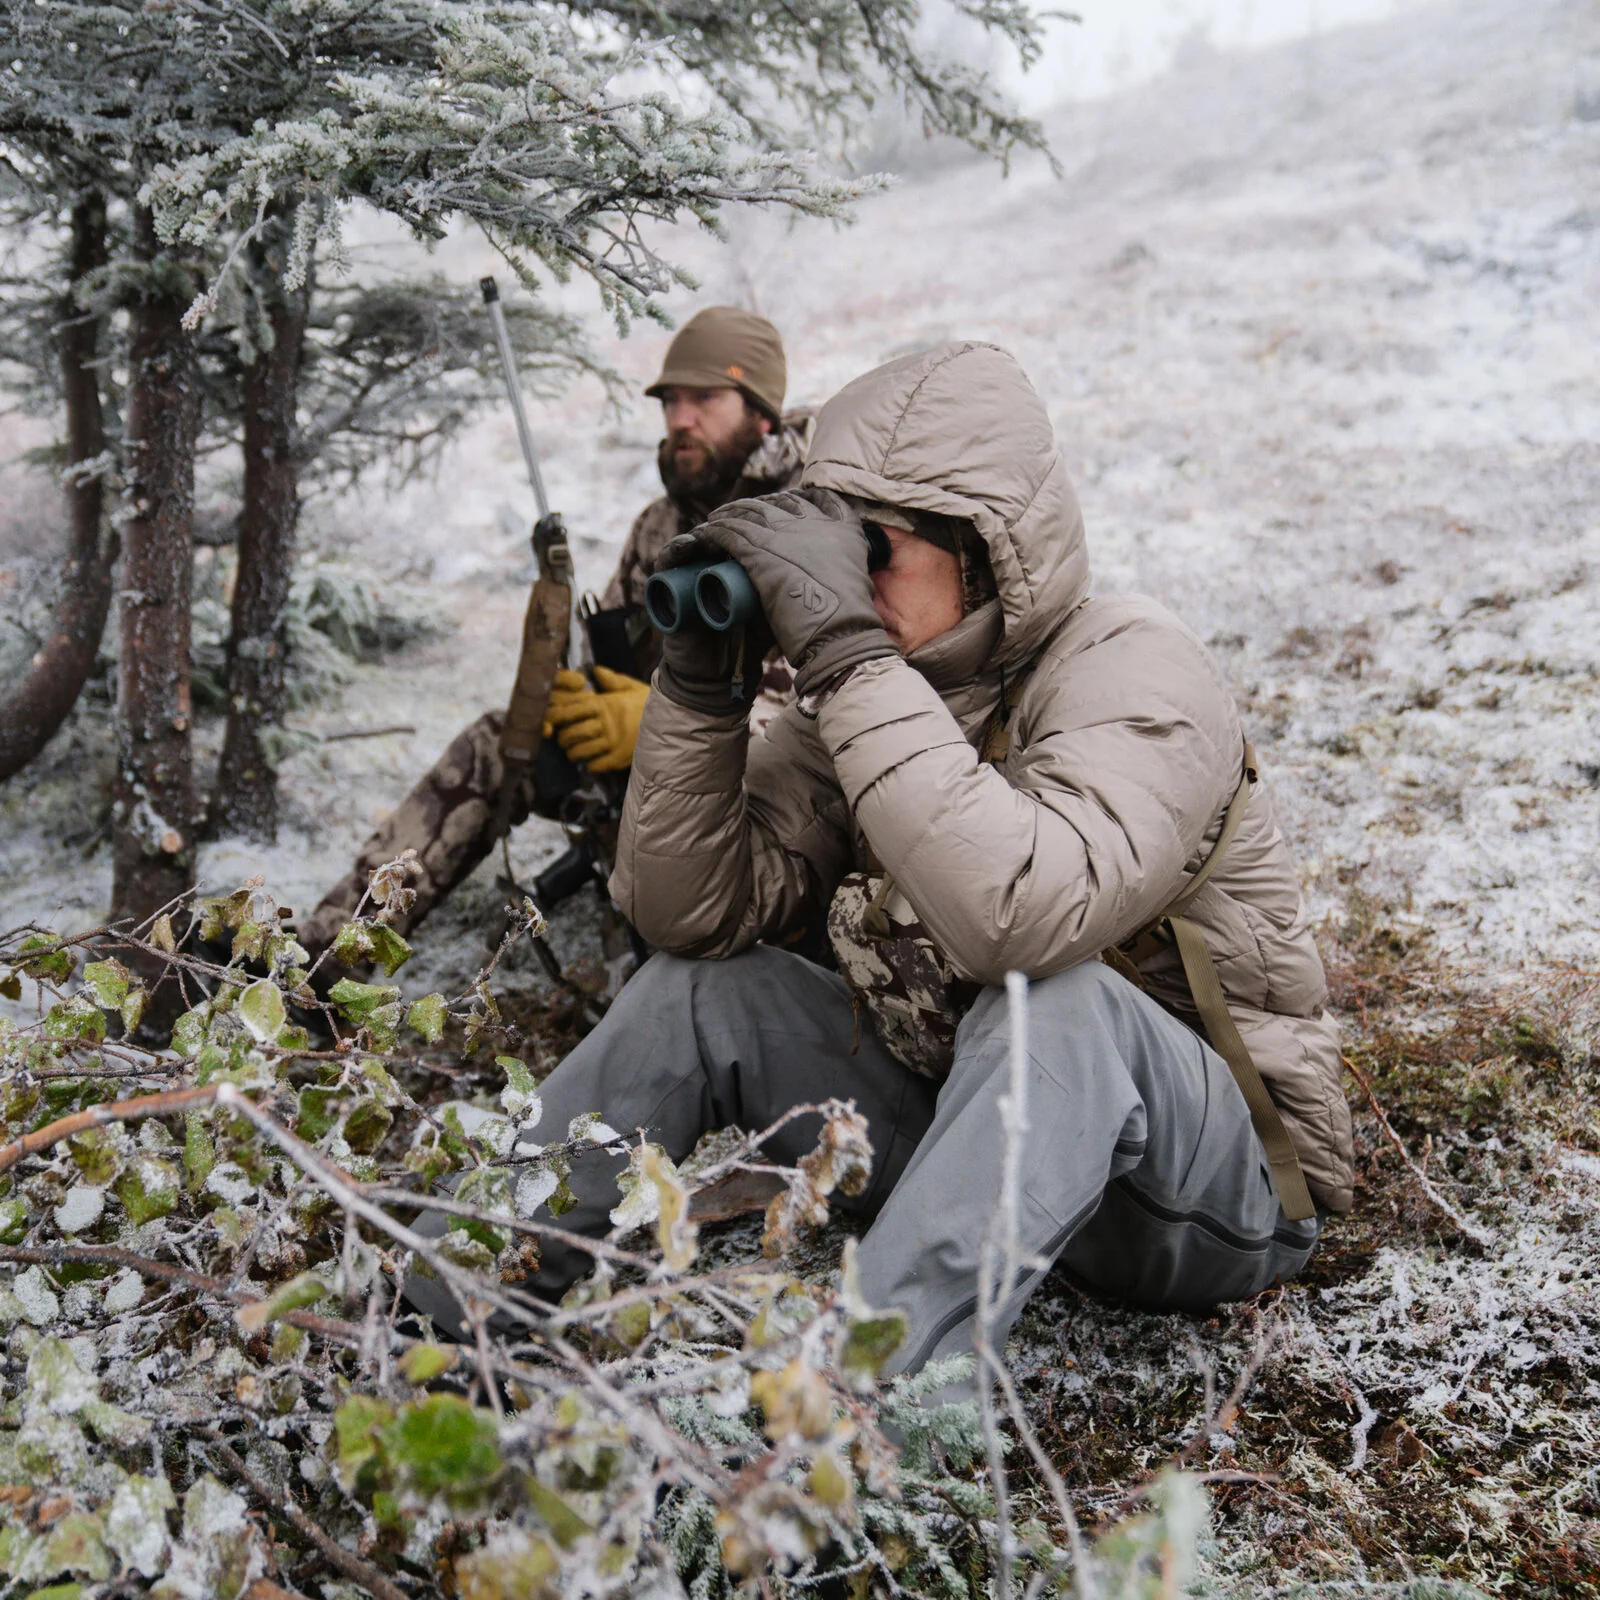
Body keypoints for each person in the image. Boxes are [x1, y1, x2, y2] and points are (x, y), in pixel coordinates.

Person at [448, 339, 1353, 1377]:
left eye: (870, 553)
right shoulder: (876, 683)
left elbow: (1022, 911)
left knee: (1057, 1004)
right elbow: (688, 912)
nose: (844, 588)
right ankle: (452, 1296)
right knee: (705, 989)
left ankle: (840, 1421)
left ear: (983, 547)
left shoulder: (1132, 664)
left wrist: (846, 658)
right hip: (971, 1149)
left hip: (1202, 1193)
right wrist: (698, 692)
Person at [297, 307, 809, 960]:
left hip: (758, 785)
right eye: (671, 402)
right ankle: (323, 962)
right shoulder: (660, 527)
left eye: (705, 399)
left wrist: (659, 719)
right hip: (646, 773)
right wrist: (580, 691)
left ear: (762, 412)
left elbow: (823, 708)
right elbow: (610, 660)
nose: (681, 420)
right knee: (496, 740)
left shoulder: (809, 516)